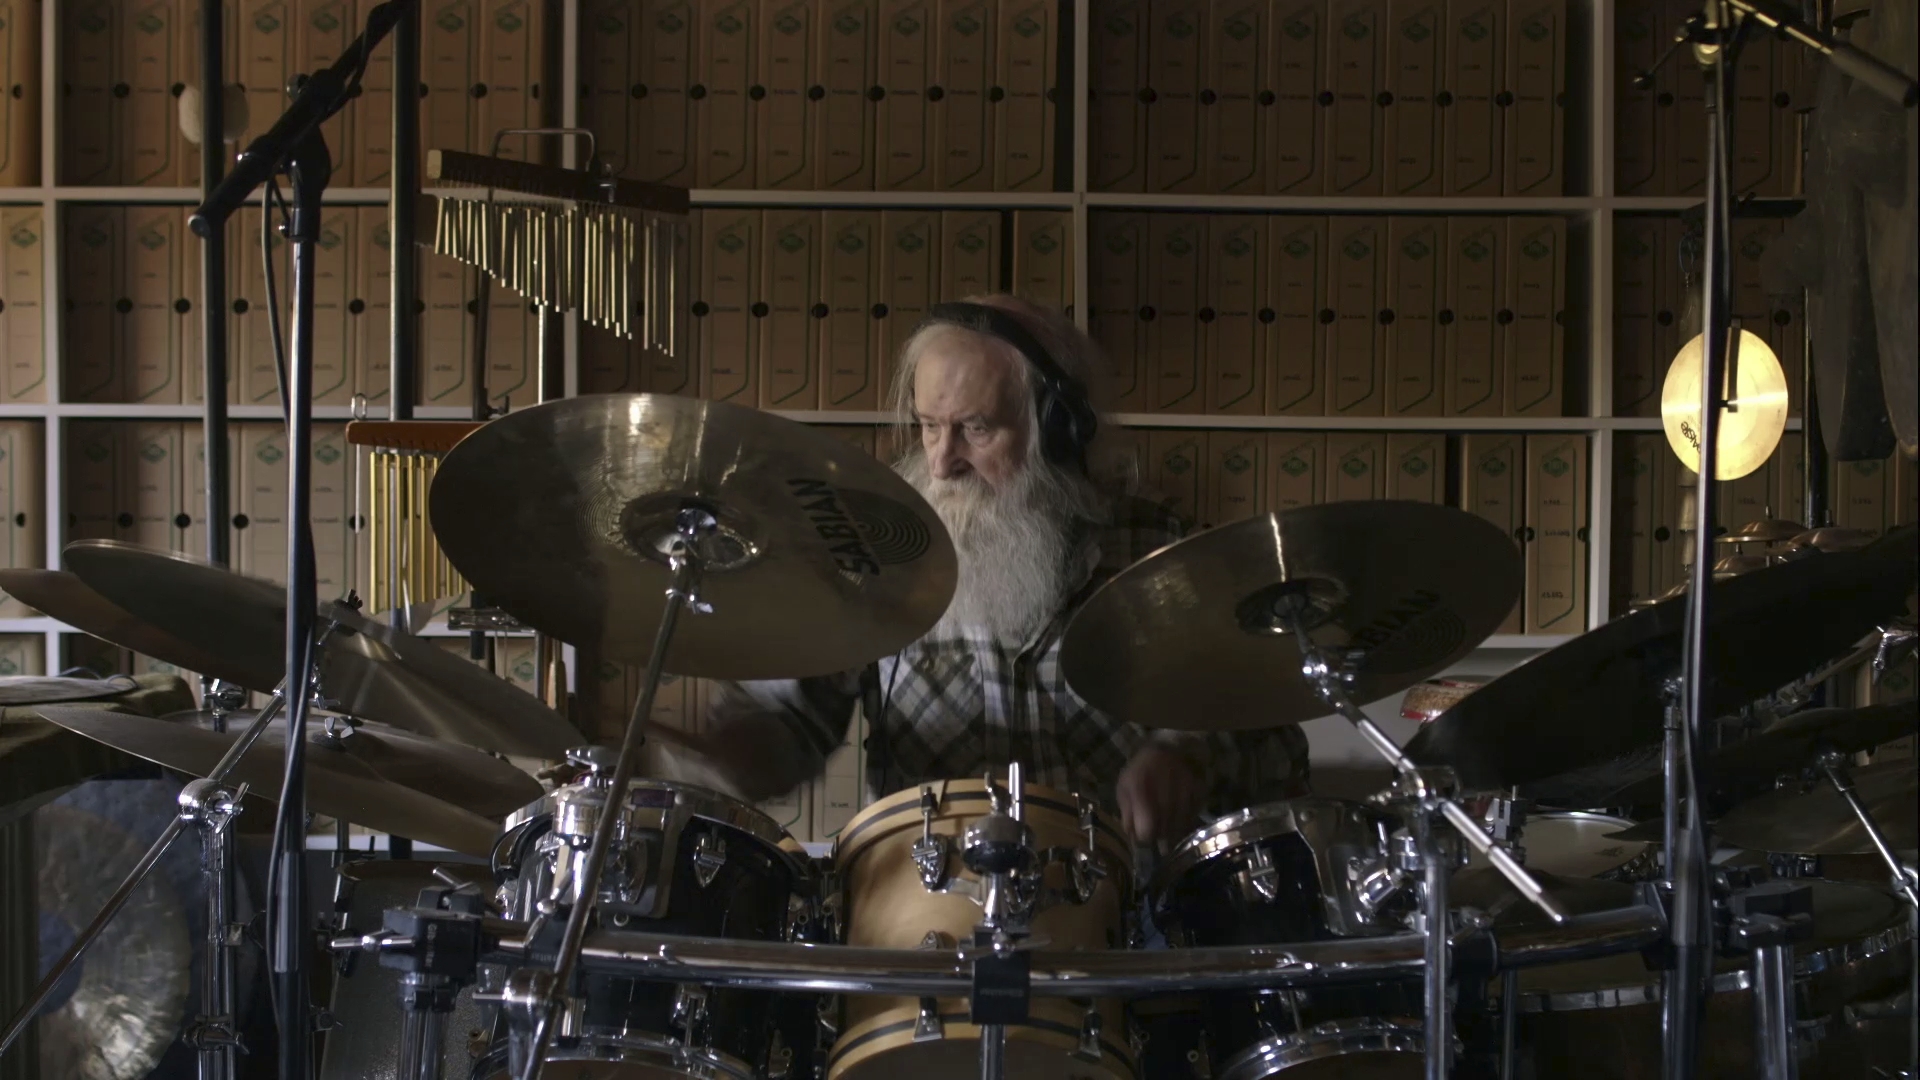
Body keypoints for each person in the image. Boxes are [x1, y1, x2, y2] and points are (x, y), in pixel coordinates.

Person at [641, 295, 1310, 846]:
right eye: (929, 426)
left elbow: (1275, 739)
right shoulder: (871, 558)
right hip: (929, 905)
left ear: (1057, 431)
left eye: (976, 429)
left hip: (1123, 915)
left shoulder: (1161, 550)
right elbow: (789, 726)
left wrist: (1189, 755)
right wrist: (733, 751)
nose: (942, 462)